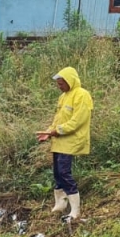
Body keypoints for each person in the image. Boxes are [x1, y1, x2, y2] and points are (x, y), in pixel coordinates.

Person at [35, 66, 92, 223]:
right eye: (58, 84)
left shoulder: (82, 95)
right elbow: (57, 119)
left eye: (61, 84)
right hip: (59, 140)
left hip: (71, 140)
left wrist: (57, 131)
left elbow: (77, 121)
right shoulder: (63, 97)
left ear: (70, 81)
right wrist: (48, 132)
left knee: (64, 172)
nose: (59, 87)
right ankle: (60, 204)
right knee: (57, 173)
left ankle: (75, 211)